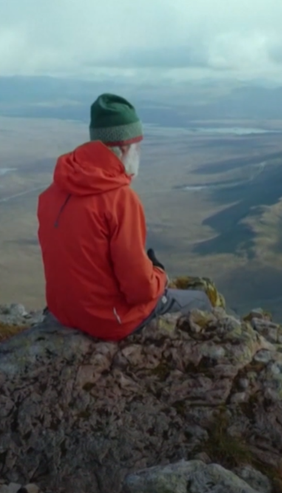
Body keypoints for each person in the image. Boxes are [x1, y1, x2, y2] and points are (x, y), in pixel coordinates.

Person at [36, 93, 213, 341]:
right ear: (123, 148)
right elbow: (139, 291)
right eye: (137, 146)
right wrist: (160, 276)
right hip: (108, 320)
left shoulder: (53, 192)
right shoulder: (120, 200)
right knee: (201, 300)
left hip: (63, 312)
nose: (139, 153)